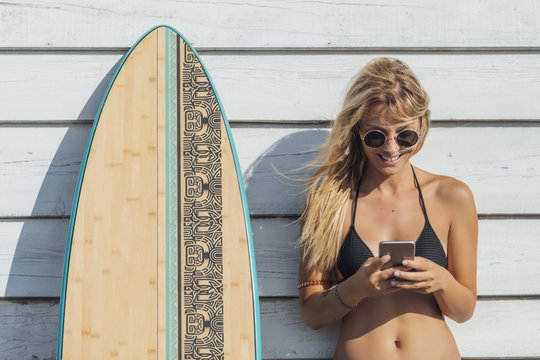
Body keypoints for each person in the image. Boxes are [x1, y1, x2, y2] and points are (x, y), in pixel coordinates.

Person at [297, 57, 478, 359]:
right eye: (376, 136)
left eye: (405, 135)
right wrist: (356, 288)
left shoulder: (452, 196)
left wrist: (440, 280)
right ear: (357, 130)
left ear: (423, 127)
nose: (391, 148)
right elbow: (312, 314)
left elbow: (463, 310)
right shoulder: (328, 201)